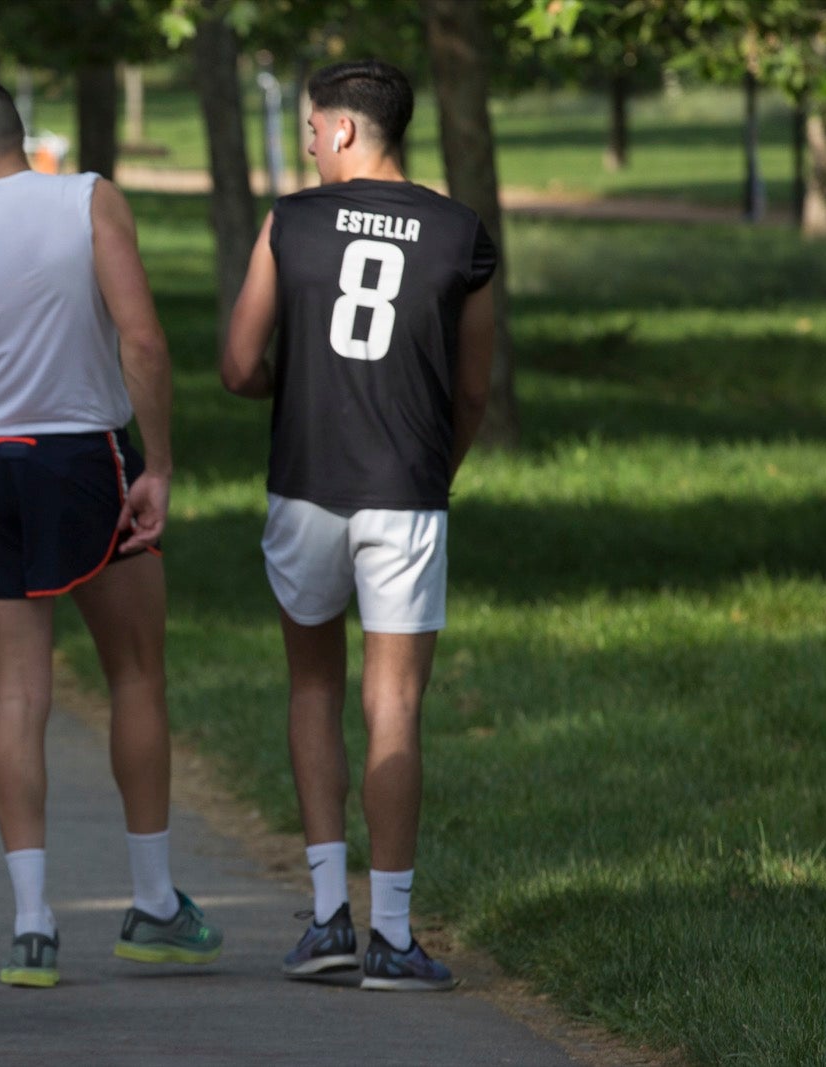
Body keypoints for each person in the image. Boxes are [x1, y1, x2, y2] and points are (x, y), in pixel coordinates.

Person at [0, 76, 222, 989]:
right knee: (134, 672)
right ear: (16, 137)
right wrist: (157, 463)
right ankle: (156, 905)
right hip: (84, 455)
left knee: (17, 695)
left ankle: (33, 924)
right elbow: (144, 339)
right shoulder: (87, 197)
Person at [220, 59, 497, 992]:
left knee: (312, 688)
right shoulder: (462, 232)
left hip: (304, 485)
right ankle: (393, 934)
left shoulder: (289, 221)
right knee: (396, 706)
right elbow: (471, 390)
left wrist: (287, 388)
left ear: (341, 130)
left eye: (309, 127)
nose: (307, 141)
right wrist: (434, 466)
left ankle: (329, 919)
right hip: (405, 493)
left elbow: (237, 364)